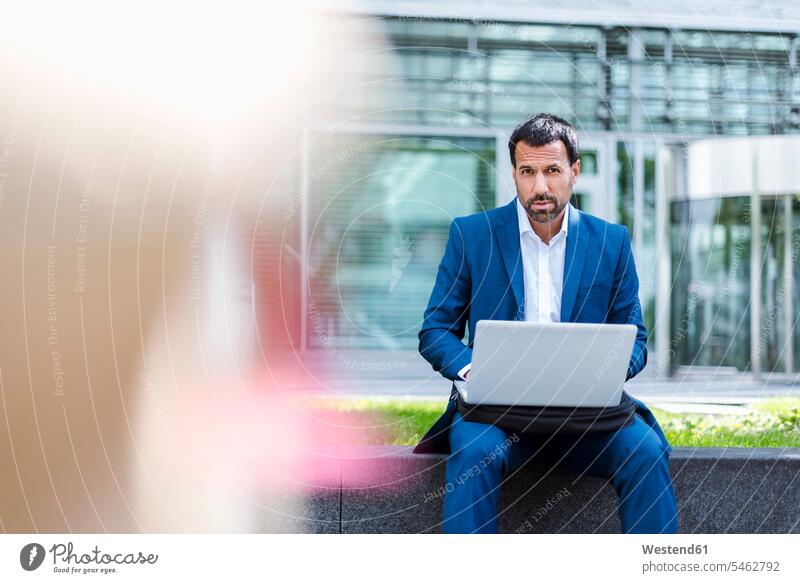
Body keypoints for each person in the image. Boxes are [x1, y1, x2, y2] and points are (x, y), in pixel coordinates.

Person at [415, 113, 678, 534]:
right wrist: (474, 370)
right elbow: (436, 330)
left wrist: (603, 371)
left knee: (644, 453)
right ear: (515, 174)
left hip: (586, 415)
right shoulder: (472, 235)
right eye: (528, 172)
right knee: (472, 456)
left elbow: (636, 339)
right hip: (494, 413)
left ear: (574, 171)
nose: (540, 186)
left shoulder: (611, 241)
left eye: (552, 170)